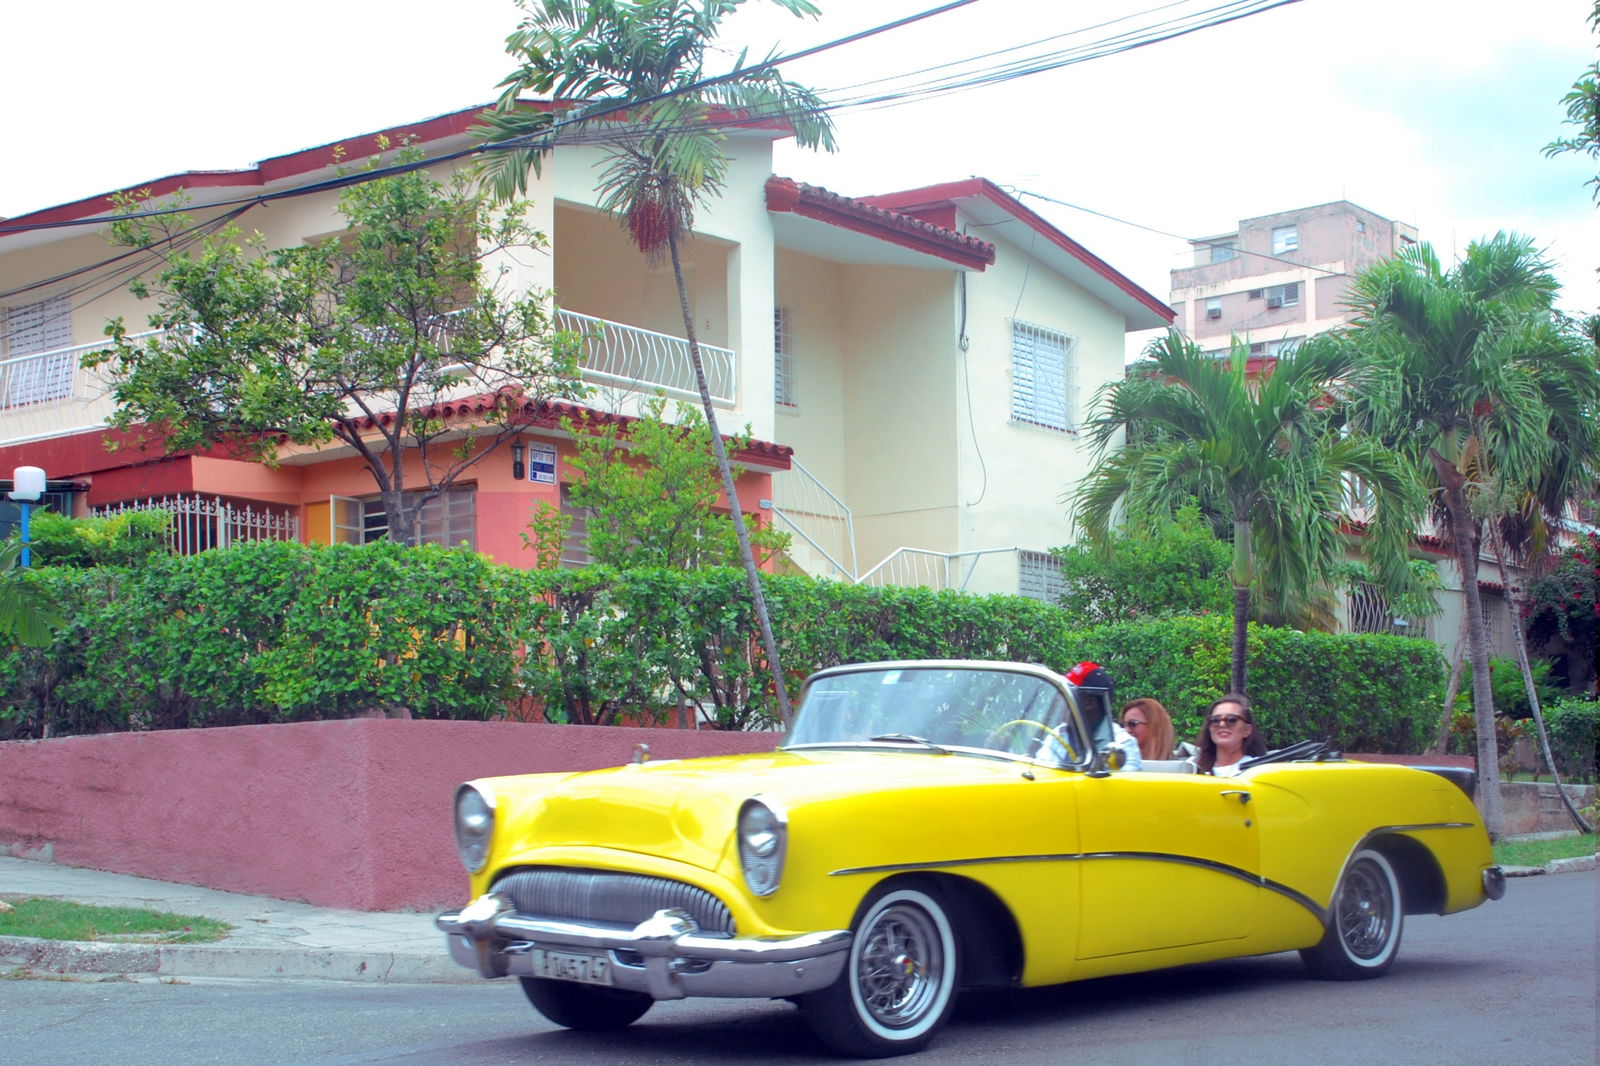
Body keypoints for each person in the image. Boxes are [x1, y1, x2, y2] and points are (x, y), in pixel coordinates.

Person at [1062, 662, 1142, 770]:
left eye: (1068, 696)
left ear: (1089, 703)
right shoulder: (1059, 734)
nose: (1063, 701)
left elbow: (1122, 785)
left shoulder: (1122, 743)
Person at [1192, 694, 1267, 776]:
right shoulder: (1192, 768)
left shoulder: (1259, 769)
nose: (1222, 724)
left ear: (1247, 730)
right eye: (1215, 720)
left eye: (1231, 719)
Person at [1119, 698, 1177, 763]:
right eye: (1122, 725)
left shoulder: (1180, 768)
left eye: (1133, 723)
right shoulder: (1118, 766)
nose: (1126, 730)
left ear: (1155, 726)